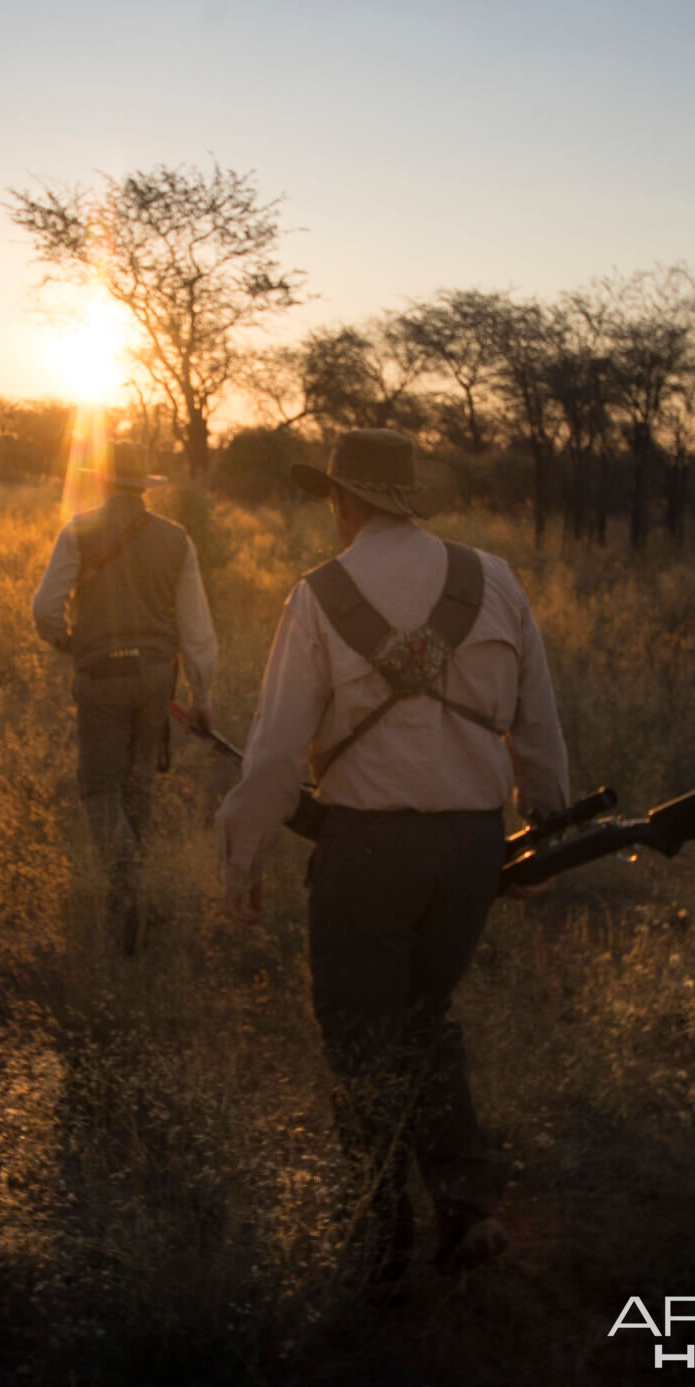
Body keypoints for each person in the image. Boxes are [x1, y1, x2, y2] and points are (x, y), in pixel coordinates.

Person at [214, 428, 570, 1288]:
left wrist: (243, 856)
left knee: (360, 1042)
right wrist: (546, 827)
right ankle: (465, 1208)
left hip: (367, 850)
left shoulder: (319, 593)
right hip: (475, 847)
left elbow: (272, 754)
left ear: (344, 501)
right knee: (421, 1019)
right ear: (410, 498)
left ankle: (376, 1236)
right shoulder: (495, 578)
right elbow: (540, 725)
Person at [33, 441, 218, 954]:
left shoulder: (78, 531)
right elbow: (197, 629)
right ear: (143, 487)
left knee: (99, 788)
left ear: (101, 482)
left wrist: (66, 641)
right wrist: (201, 696)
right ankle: (136, 899)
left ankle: (127, 882)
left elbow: (45, 608)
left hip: (101, 673)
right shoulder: (177, 539)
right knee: (140, 783)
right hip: (158, 677)